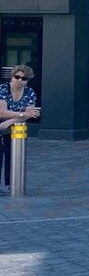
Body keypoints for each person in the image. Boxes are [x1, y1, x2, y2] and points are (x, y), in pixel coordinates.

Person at [0, 65, 41, 195]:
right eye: (17, 77)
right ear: (11, 77)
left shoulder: (29, 92)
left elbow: (31, 113)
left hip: (14, 124)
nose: (20, 80)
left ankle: (11, 184)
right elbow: (2, 112)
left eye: (24, 78)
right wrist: (23, 114)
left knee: (12, 154)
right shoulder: (3, 89)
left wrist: (11, 120)